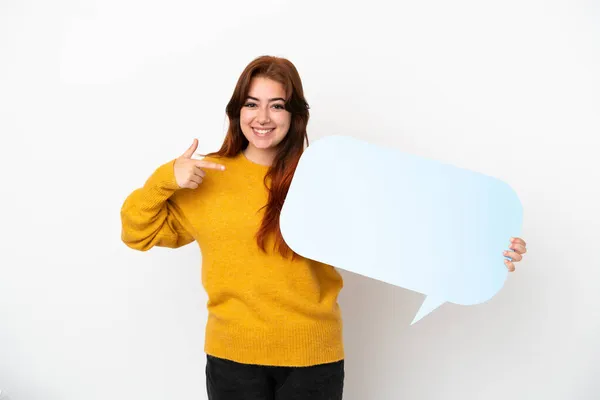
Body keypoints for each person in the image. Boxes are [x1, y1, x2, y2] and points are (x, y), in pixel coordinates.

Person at [120, 55, 528, 399]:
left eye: (277, 105)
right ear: (236, 111)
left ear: (295, 115)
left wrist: (489, 249)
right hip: (232, 361)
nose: (263, 117)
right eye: (252, 103)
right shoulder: (205, 176)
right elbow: (136, 232)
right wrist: (167, 177)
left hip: (312, 362)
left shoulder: (328, 175)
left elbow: (408, 230)